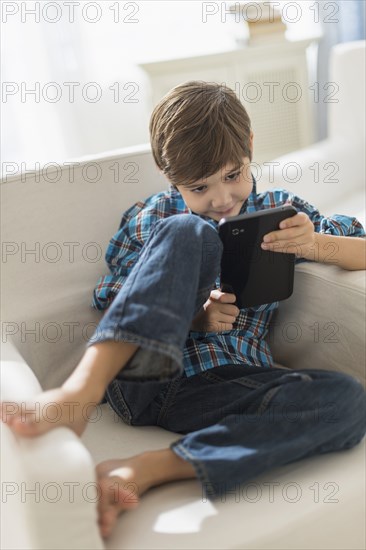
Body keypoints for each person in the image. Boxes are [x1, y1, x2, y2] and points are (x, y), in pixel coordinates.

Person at [1, 81, 366, 539]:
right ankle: (80, 393)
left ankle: (147, 469)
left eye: (233, 175)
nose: (220, 198)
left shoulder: (281, 212)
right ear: (167, 174)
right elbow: (118, 297)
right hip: (142, 377)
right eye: (199, 186)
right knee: (191, 232)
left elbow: (361, 247)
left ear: (250, 148)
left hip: (221, 387)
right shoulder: (154, 217)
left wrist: (315, 244)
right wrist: (196, 316)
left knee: (347, 399)